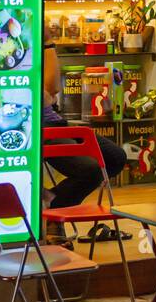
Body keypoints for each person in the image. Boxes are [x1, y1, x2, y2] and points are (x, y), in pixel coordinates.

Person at [42, 43, 127, 213]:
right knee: (91, 170)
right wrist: (49, 44)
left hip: (57, 122)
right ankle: (54, 212)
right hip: (40, 128)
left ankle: (52, 199)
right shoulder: (37, 49)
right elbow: (51, 89)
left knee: (116, 157)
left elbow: (50, 94)